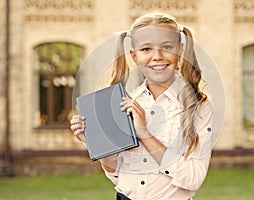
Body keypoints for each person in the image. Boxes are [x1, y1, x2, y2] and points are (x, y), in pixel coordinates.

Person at [70, 13, 213, 200]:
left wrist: (144, 133)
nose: (157, 56)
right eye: (146, 49)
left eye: (167, 47)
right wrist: (98, 144)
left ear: (180, 50)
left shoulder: (199, 107)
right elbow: (117, 175)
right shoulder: (126, 103)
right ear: (134, 56)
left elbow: (193, 178)